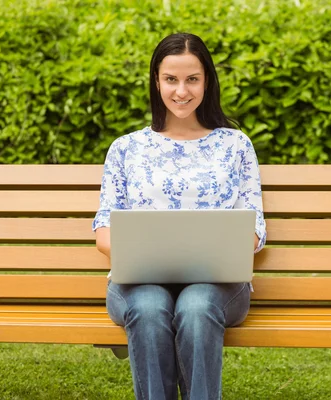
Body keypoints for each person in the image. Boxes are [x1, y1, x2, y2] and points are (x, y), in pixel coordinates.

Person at [92, 33, 267, 400]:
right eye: (171, 79)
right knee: (148, 307)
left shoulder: (235, 146)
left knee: (197, 305)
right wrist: (144, 256)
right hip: (138, 283)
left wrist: (221, 251)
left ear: (207, 81)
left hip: (217, 285)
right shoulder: (126, 148)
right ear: (156, 81)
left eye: (192, 79)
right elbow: (104, 230)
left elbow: (252, 230)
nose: (181, 91)